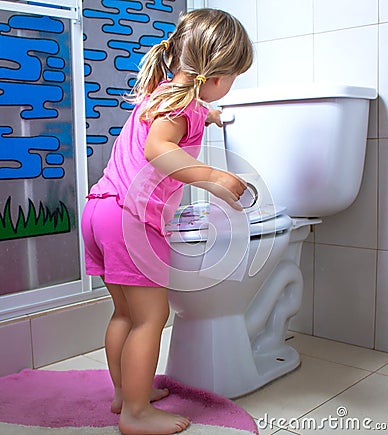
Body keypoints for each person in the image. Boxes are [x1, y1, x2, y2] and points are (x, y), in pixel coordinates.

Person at [81, 7, 253, 435]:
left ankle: (126, 394)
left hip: (100, 208)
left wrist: (208, 114)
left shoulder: (164, 94)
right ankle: (136, 414)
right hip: (132, 220)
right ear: (215, 77)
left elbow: (173, 120)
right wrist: (212, 176)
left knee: (124, 314)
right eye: (233, 78)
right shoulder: (184, 110)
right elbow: (160, 147)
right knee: (151, 317)